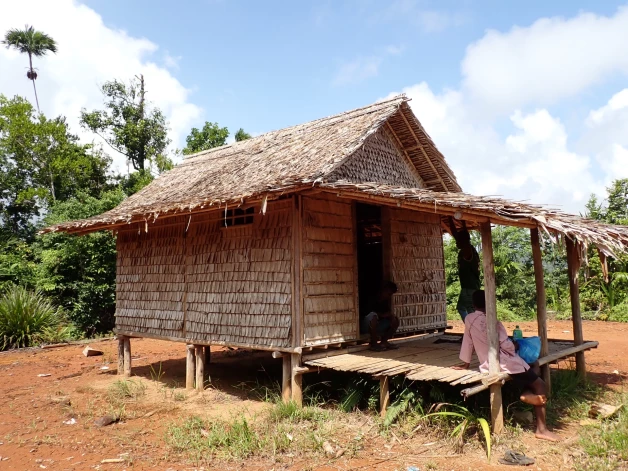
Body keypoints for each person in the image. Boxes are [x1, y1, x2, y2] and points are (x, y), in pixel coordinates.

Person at [453, 290, 560, 442]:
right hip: (505, 363)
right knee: (540, 384)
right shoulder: (494, 322)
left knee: (533, 365)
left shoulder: (469, 319)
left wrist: (465, 364)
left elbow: (468, 342)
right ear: (490, 304)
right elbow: (506, 346)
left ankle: (525, 391)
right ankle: (541, 428)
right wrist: (515, 345)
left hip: (486, 364)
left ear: (474, 304)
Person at [449, 219, 481, 321]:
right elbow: (460, 235)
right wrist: (453, 220)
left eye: (458, 241)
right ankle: (472, 330)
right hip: (470, 287)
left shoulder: (467, 250)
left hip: (469, 288)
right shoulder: (470, 249)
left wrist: (451, 219)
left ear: (463, 241)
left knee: (470, 310)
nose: (456, 243)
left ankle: (473, 330)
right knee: (462, 308)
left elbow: (458, 236)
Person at [362, 282, 400, 351]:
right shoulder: (370, 298)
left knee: (395, 320)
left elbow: (387, 313)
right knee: (373, 316)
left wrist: (391, 317)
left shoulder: (385, 302)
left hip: (377, 325)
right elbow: (365, 313)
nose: (389, 296)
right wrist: (382, 315)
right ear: (383, 290)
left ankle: (384, 342)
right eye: (388, 293)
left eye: (390, 294)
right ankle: (374, 344)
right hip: (365, 326)